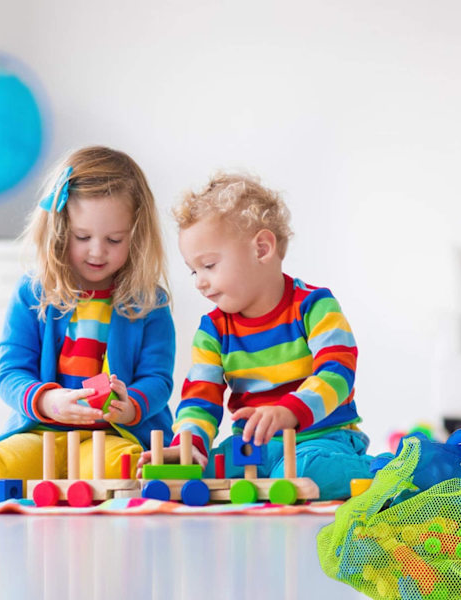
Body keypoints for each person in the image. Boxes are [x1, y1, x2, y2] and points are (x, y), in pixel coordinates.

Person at [137, 173, 373, 499]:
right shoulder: (213, 330)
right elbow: (199, 398)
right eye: (194, 271)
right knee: (194, 472)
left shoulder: (314, 306)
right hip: (254, 448)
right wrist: (190, 443)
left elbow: (338, 372)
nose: (200, 283)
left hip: (321, 437)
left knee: (303, 471)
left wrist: (289, 411)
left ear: (261, 249)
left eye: (209, 265)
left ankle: (378, 472)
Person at [0, 146, 175, 484]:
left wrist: (131, 405)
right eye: (82, 236)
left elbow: (158, 378)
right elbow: (10, 372)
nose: (97, 251)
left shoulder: (150, 303)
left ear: (136, 236)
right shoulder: (33, 293)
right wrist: (47, 400)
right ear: (59, 229)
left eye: (114, 239)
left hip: (109, 437)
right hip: (40, 433)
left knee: (127, 469)